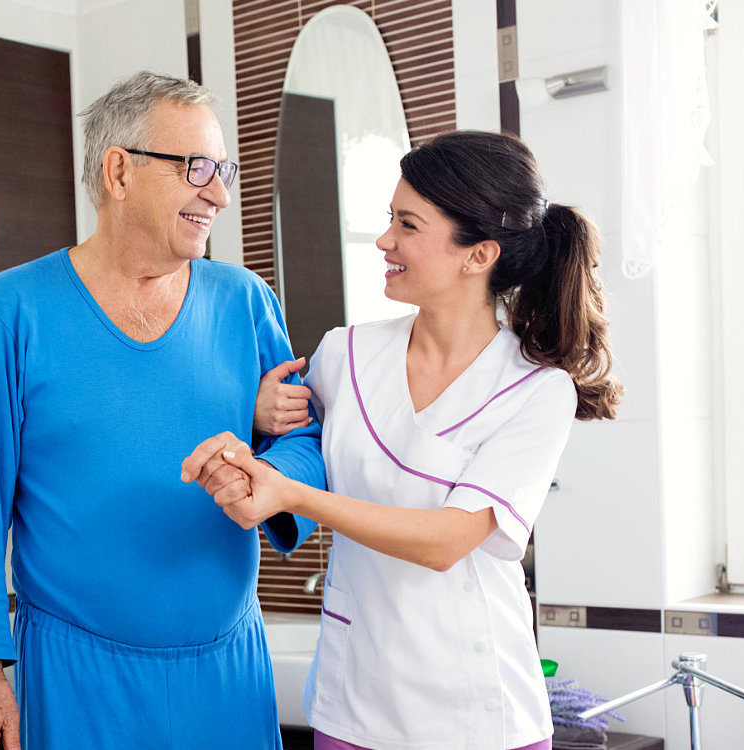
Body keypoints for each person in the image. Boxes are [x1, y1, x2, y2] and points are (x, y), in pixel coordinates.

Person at [184, 130, 622, 750]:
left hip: (478, 712)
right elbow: (296, 447)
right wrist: (258, 416)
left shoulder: (536, 390)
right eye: (390, 218)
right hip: (355, 699)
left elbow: (446, 541)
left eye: (408, 225)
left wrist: (291, 496)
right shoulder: (345, 353)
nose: (385, 240)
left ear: (479, 255)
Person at [0, 71, 325, 750]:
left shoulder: (244, 299)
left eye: (224, 169)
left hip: (227, 674)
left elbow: (305, 440)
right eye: (197, 168)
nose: (220, 193)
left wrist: (265, 471)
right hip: (74, 676)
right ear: (119, 171)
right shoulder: (11, 310)